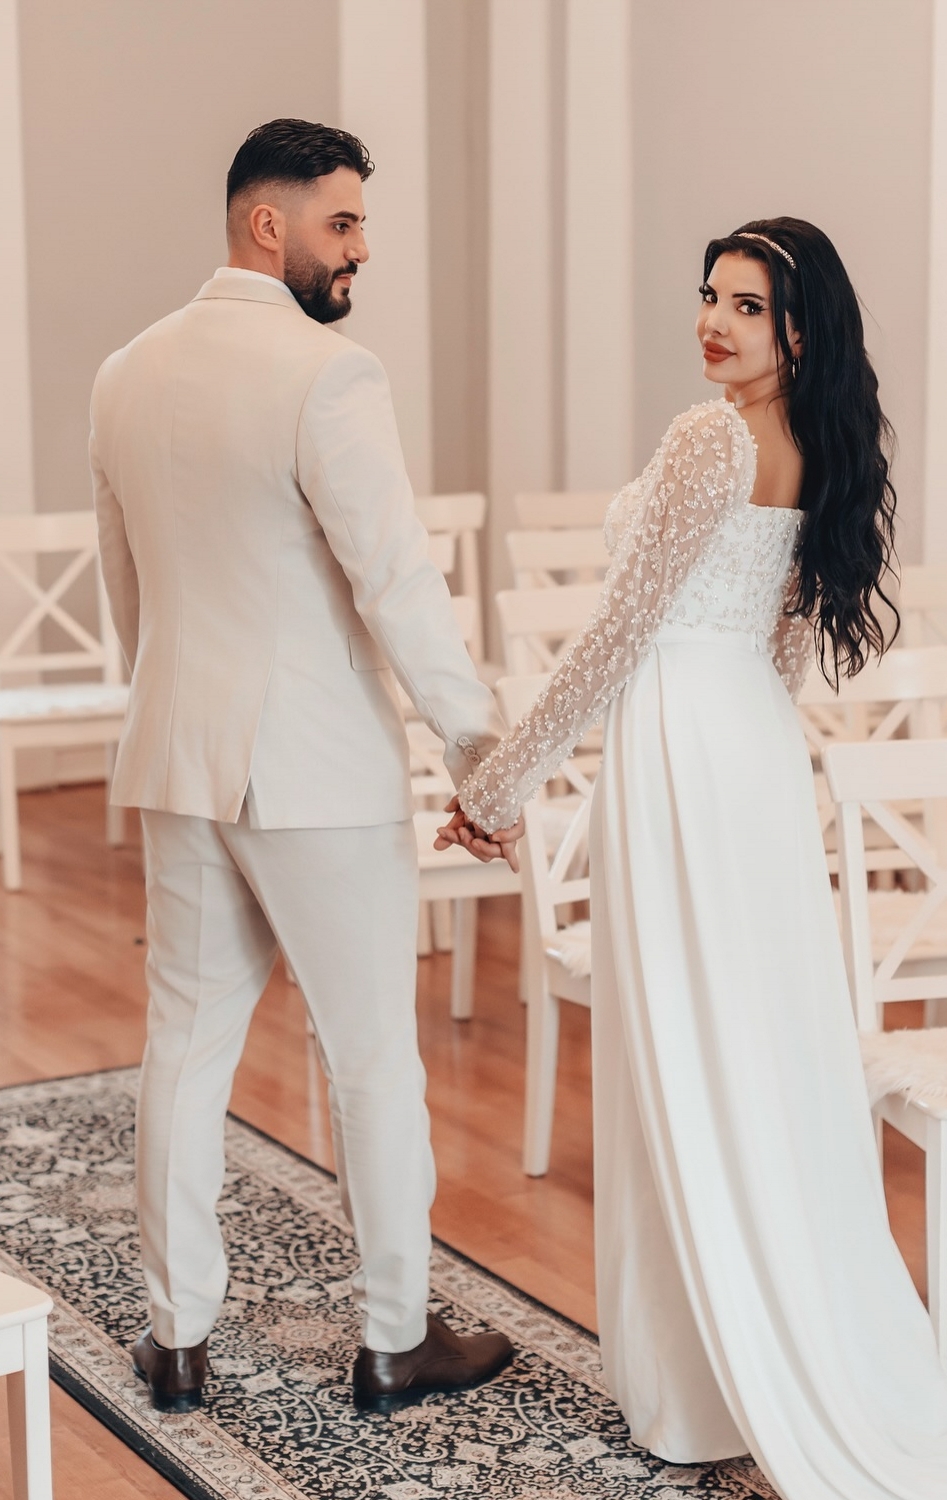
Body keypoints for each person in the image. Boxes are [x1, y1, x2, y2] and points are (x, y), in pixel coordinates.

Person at [438, 218, 947, 1495]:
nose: (711, 320)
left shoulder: (709, 439)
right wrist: (734, 746)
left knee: (681, 1049)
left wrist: (498, 785)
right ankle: (761, 1344)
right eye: (707, 295)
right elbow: (786, 649)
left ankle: (699, 1388)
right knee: (750, 1048)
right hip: (744, 747)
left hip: (683, 745)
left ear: (796, 330)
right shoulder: (816, 444)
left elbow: (614, 639)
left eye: (744, 305)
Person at [91, 118, 514, 1416]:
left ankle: (174, 1340)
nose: (360, 249)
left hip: (176, 753)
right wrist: (476, 742)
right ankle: (395, 1338)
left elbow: (128, 595)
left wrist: (161, 705)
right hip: (316, 775)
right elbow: (393, 580)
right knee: (373, 1054)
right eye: (343, 223)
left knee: (184, 1044)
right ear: (265, 224)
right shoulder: (329, 376)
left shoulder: (125, 373)